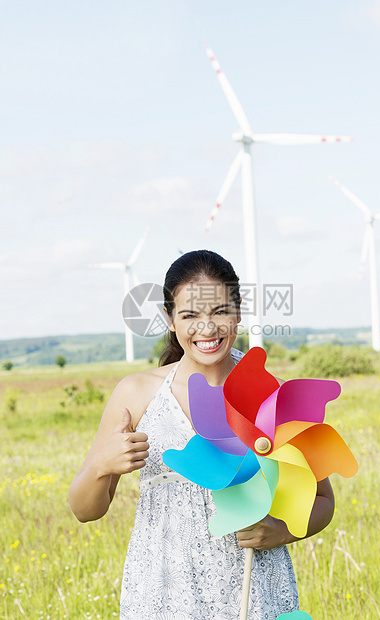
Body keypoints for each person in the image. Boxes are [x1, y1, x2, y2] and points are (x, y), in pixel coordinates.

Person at [69, 249, 335, 619]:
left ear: (239, 311)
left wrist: (281, 531)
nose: (206, 329)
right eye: (190, 315)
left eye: (220, 312)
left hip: (253, 588)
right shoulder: (137, 393)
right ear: (170, 319)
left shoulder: (267, 391)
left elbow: (323, 500)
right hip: (164, 590)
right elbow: (83, 510)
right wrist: (102, 465)